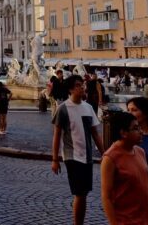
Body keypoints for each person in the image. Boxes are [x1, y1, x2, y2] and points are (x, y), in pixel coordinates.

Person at [51, 74, 104, 225]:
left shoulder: (88, 108)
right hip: (72, 156)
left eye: (82, 85)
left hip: (86, 156)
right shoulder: (63, 109)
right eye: (78, 86)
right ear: (70, 90)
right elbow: (57, 135)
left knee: (84, 194)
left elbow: (95, 133)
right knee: (80, 193)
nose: (82, 88)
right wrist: (55, 159)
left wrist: (104, 153)